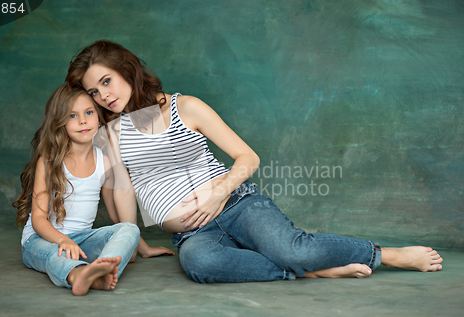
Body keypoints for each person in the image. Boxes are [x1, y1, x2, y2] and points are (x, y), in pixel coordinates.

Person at [65, 40, 443, 283]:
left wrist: (218, 195)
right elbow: (122, 187)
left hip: (236, 204)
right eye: (94, 92)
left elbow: (248, 157)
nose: (102, 96)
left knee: (294, 248)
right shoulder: (111, 131)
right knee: (201, 267)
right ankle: (312, 272)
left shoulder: (184, 106)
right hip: (192, 234)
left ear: (126, 70)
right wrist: (134, 242)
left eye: (107, 82)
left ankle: (384, 254)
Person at [12, 83, 174, 295]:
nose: (82, 121)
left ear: (98, 116)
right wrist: (62, 240)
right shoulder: (49, 161)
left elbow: (117, 216)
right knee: (55, 256)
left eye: (89, 112)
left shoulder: (103, 162)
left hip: (82, 242)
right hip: (43, 240)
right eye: (72, 116)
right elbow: (39, 220)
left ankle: (102, 269)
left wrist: (142, 247)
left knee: (130, 229)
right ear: (60, 122)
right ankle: (77, 275)